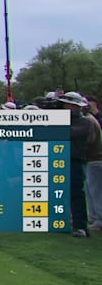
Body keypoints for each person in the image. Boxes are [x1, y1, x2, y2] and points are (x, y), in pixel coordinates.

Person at [57, 92, 100, 237]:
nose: (66, 107)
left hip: (75, 160)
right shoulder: (65, 120)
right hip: (61, 159)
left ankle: (80, 226)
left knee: (76, 194)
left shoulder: (85, 122)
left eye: (70, 105)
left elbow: (66, 133)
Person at [81, 95, 102, 231]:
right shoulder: (87, 120)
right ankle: (94, 218)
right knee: (89, 191)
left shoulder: (89, 120)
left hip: (95, 159)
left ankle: (99, 219)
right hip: (90, 160)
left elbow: (90, 142)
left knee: (96, 192)